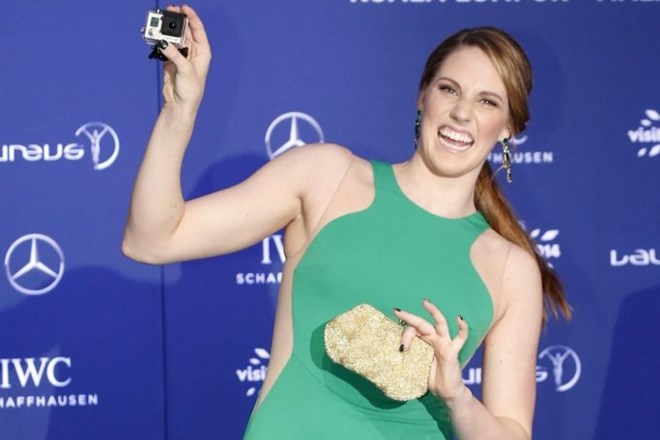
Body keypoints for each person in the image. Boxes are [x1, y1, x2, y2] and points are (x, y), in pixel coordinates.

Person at [123, 5, 571, 439]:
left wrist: (456, 395)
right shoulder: (326, 177)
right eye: (449, 89)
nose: (461, 113)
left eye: (487, 100)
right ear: (422, 96)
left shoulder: (510, 268)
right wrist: (179, 112)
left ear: (509, 127)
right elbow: (151, 241)